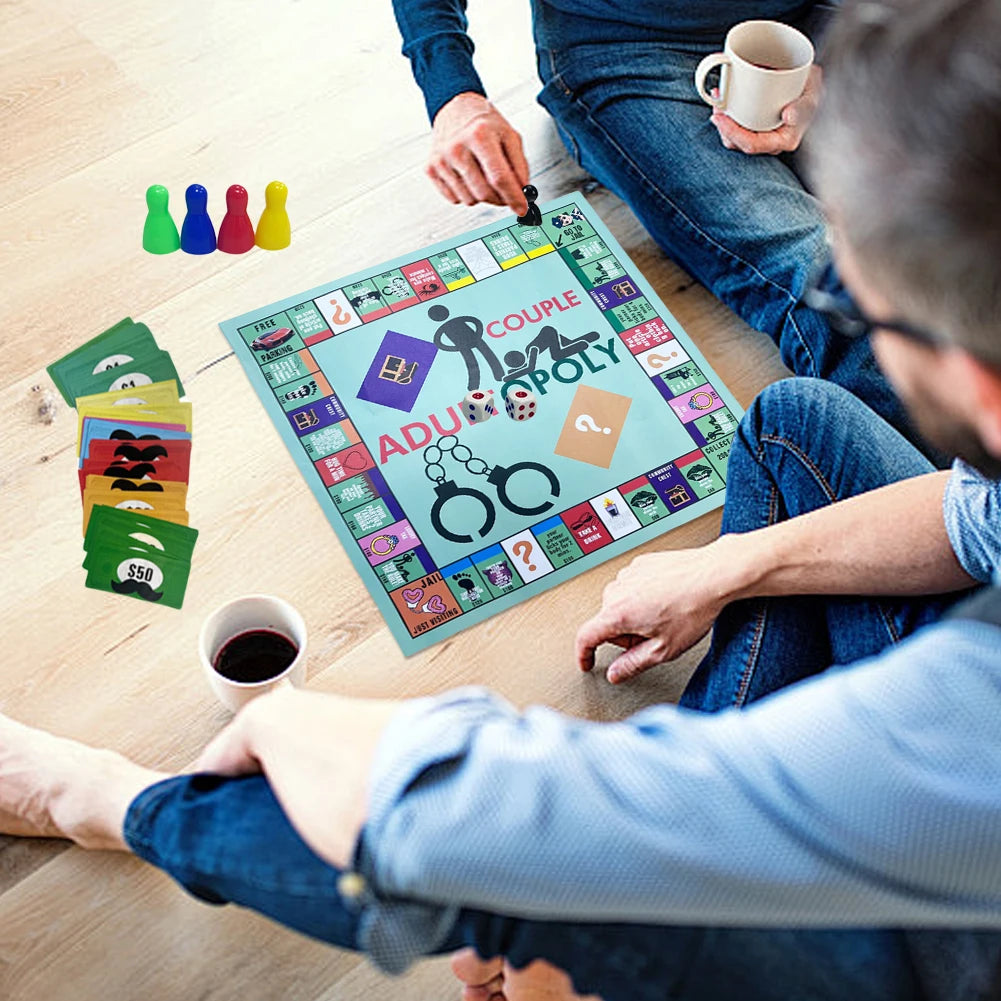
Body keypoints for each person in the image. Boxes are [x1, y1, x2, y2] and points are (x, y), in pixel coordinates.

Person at [4, 1, 1001, 998]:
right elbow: (973, 516)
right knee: (794, 418)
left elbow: (483, 823)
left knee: (524, 886)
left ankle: (99, 798)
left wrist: (282, 747)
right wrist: (721, 562)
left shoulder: (957, 723)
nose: (846, 301)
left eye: (859, 303)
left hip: (955, 940)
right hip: (638, 45)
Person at [390, 0, 927, 450]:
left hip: (818, 19)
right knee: (820, 273)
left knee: (957, 224)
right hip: (626, 44)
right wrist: (454, 93)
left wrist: (846, 67)